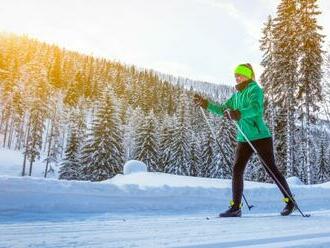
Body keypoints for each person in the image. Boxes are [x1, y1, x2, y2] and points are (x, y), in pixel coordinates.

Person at [194, 63, 295, 217]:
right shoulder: (236, 96)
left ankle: (290, 202)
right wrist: (206, 104)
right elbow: (223, 109)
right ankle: (235, 207)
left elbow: (256, 109)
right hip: (244, 138)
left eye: (240, 74)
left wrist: (239, 113)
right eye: (235, 75)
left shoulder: (255, 90)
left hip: (261, 137)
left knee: (271, 170)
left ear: (248, 75)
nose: (237, 77)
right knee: (237, 169)